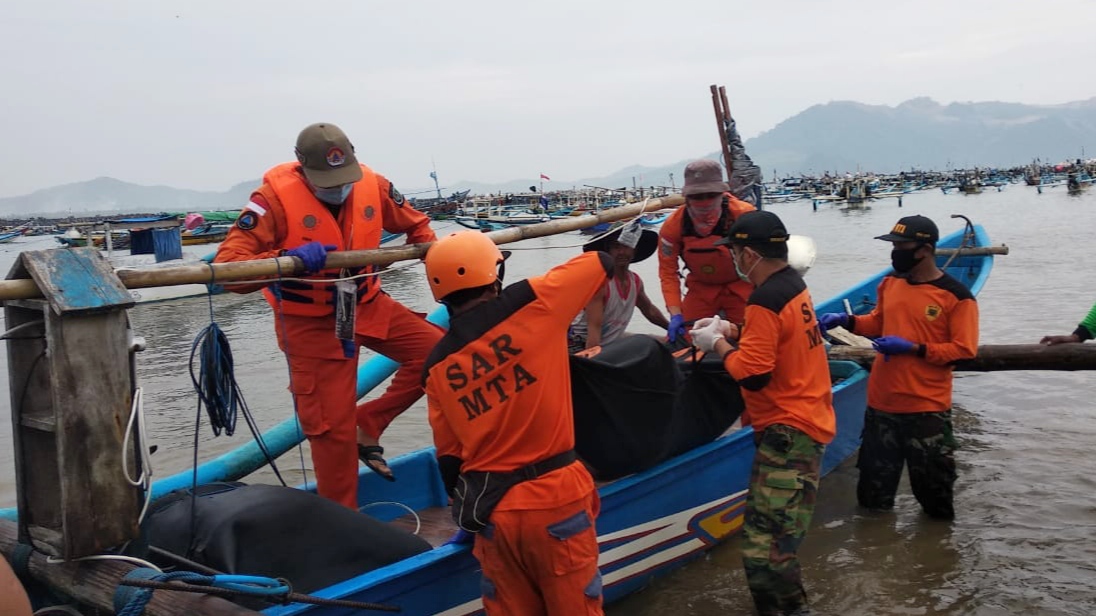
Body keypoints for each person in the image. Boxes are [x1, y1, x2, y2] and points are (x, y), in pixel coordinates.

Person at [215, 122, 442, 508]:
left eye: (343, 178)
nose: (337, 188)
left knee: (441, 354)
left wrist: (435, 254)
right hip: (311, 324)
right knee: (331, 431)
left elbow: (417, 225)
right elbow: (228, 267)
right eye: (326, 181)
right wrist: (283, 261)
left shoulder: (374, 183)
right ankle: (343, 522)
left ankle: (368, 424)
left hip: (365, 302)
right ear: (302, 169)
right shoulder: (271, 200)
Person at [422, 230, 609, 615]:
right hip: (556, 501)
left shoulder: (436, 366)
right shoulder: (533, 302)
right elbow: (601, 262)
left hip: (494, 514)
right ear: (494, 277)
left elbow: (450, 460)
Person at [688, 210, 834, 616]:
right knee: (775, 539)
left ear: (749, 253)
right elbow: (777, 341)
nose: (732, 259)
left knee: (764, 549)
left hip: (789, 432)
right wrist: (730, 331)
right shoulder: (791, 286)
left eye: (734, 251)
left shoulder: (767, 298)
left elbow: (752, 376)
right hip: (806, 420)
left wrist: (714, 345)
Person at [817, 215, 979, 520]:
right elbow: (878, 321)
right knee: (872, 499)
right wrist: (847, 320)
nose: (895, 252)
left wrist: (914, 349)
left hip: (926, 410)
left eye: (902, 246)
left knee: (936, 500)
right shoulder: (890, 283)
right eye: (894, 245)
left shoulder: (956, 297)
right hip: (882, 407)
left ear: (925, 250)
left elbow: (963, 350)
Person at [658, 159, 756, 343]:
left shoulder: (744, 215)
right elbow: (667, 273)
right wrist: (675, 313)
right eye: (697, 196)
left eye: (711, 195)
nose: (704, 202)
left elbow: (765, 261)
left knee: (753, 337)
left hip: (742, 287)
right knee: (685, 341)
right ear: (686, 197)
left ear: (722, 193)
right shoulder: (673, 226)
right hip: (701, 289)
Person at [569, 219, 669, 352]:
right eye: (616, 247)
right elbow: (594, 331)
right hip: (580, 344)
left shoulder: (635, 282)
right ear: (608, 250)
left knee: (659, 342)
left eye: (626, 246)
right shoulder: (601, 284)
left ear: (634, 250)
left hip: (610, 340)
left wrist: (674, 328)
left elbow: (650, 311)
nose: (621, 252)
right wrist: (593, 364)